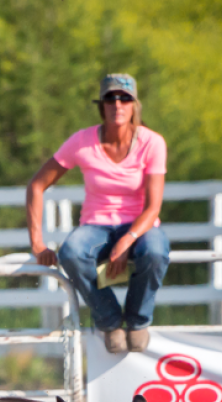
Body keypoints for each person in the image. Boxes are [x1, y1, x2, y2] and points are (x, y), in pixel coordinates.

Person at [27, 74, 169, 354]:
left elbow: (153, 206)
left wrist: (126, 241)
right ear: (101, 106)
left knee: (155, 251)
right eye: (110, 98)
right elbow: (37, 184)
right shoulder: (82, 141)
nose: (118, 104)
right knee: (71, 252)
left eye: (125, 98)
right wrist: (37, 243)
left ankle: (138, 321)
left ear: (134, 105)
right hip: (96, 225)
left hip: (140, 224)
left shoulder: (152, 143)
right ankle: (110, 321)